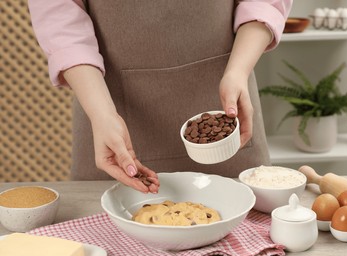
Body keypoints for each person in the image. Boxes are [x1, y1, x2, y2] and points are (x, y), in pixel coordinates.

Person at [28, 0, 293, 193]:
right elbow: (59, 17)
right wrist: (102, 114)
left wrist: (238, 72)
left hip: (226, 98)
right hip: (108, 108)